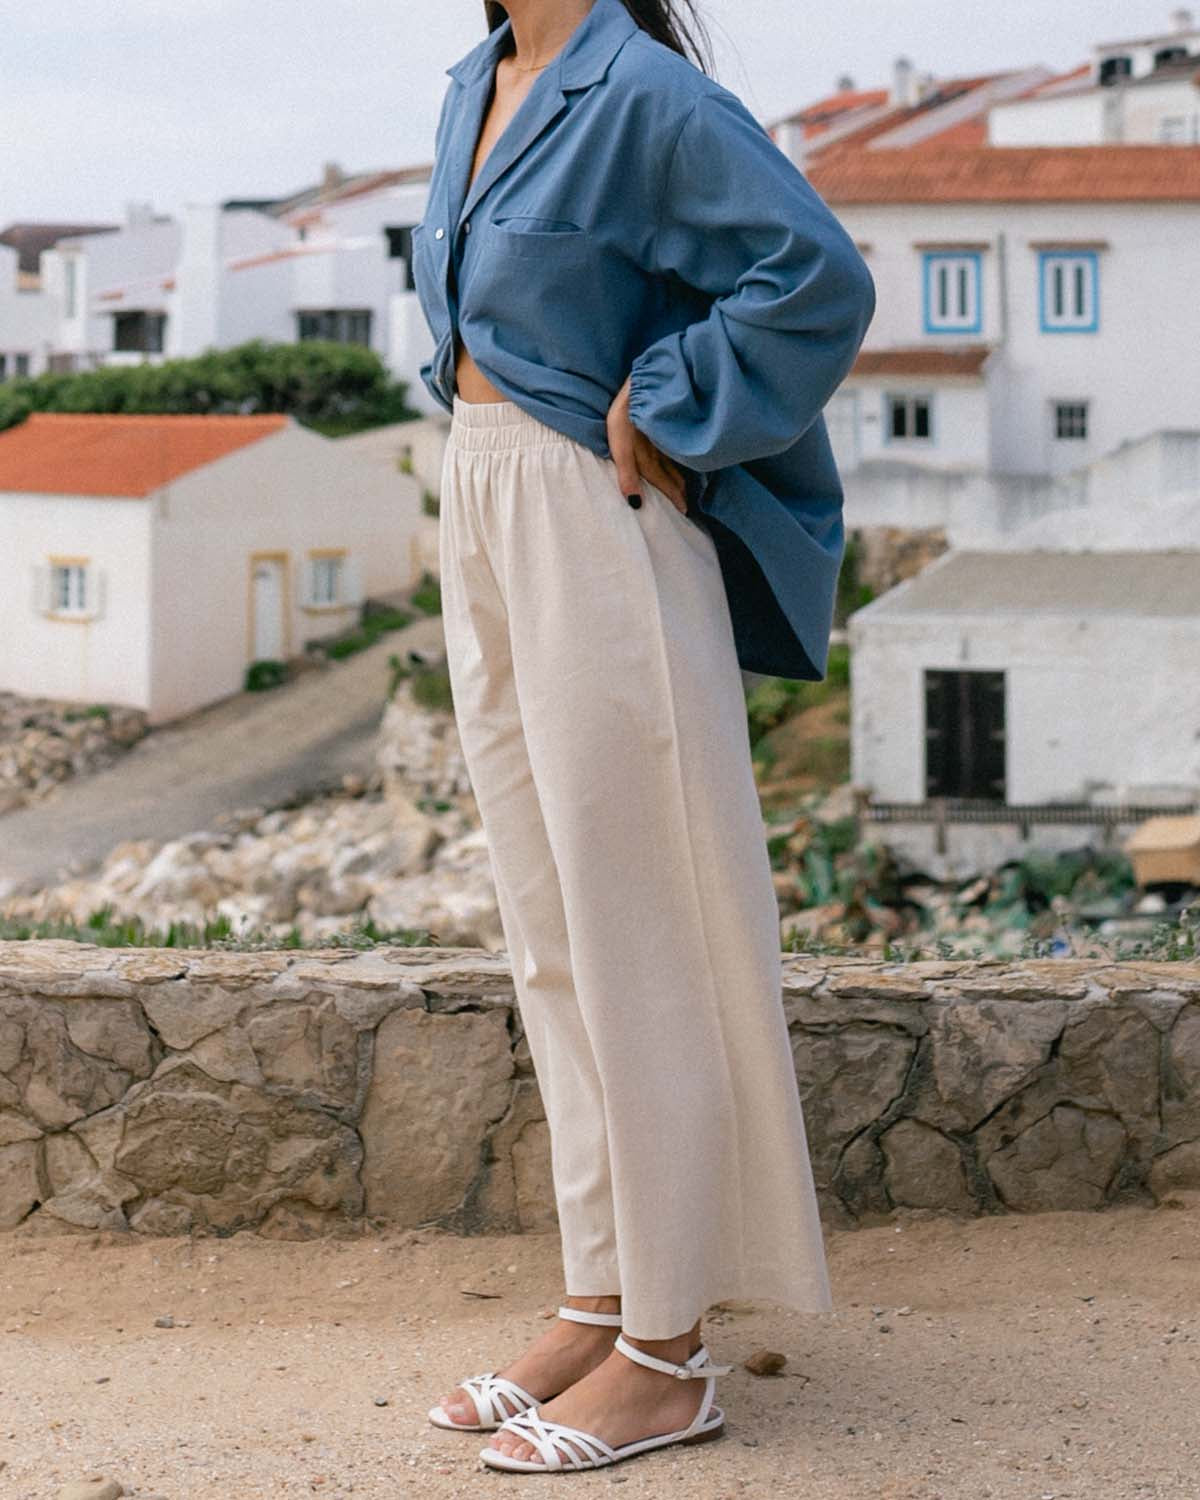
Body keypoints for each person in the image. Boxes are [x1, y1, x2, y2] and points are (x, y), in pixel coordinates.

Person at [412, 0, 875, 1474]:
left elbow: (816, 276)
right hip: (480, 495)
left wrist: (670, 405)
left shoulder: (645, 92)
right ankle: (604, 1293)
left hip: (591, 514)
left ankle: (670, 1356)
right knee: (552, 934)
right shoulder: (476, 83)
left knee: (644, 928)